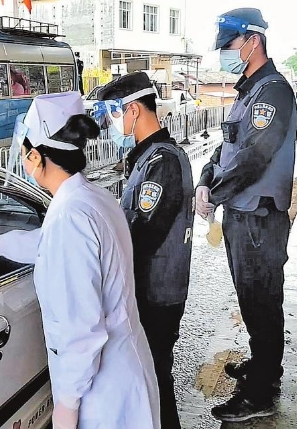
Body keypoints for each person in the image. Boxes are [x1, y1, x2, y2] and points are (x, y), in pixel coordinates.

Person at [0, 91, 160, 428]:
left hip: (103, 393)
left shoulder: (70, 217)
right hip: (124, 373)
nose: (23, 160)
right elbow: (46, 244)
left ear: (37, 157)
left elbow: (81, 330)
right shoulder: (92, 199)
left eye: (24, 153)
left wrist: (67, 406)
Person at [195, 7, 297, 422]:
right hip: (242, 217)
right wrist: (205, 180)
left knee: (261, 302)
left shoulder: (272, 92)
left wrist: (214, 195)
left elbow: (254, 157)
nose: (226, 53)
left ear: (253, 40)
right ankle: (262, 366)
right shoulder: (247, 92)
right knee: (250, 299)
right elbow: (226, 149)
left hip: (260, 219)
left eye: (230, 44)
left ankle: (261, 394)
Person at [96, 71, 195, 429]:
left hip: (156, 293)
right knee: (150, 379)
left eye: (114, 112)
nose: (110, 123)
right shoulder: (148, 158)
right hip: (154, 289)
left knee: (153, 381)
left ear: (134, 109)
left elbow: (143, 233)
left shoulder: (162, 162)